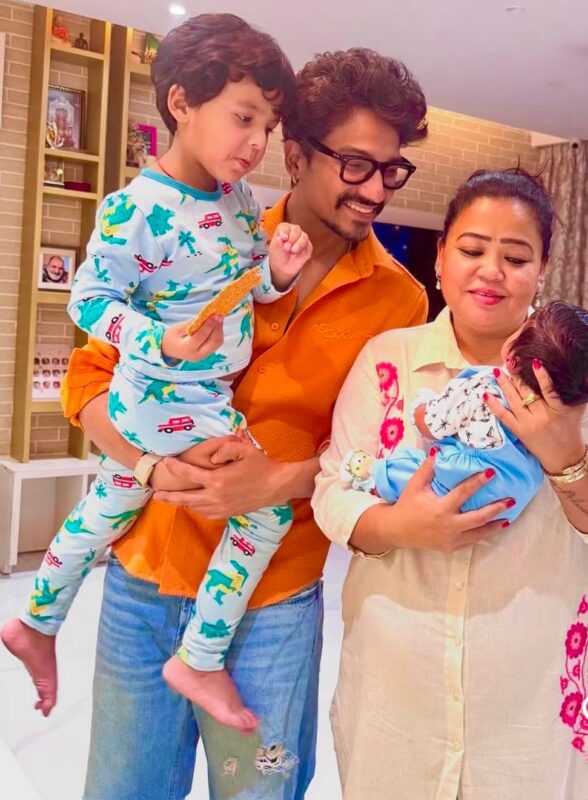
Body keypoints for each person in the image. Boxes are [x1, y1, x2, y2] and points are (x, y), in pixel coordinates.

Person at [40, 46, 428, 800]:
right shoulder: (204, 226)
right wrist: (148, 466)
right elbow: (88, 381)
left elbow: (378, 457)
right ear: (295, 153)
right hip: (146, 572)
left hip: (273, 599)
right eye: (355, 164)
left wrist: (276, 482)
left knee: (260, 791)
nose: (375, 189)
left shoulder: (399, 301)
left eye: (392, 170)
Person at [2, 14, 311, 733]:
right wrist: (159, 341)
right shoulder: (134, 208)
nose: (257, 143)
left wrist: (277, 272)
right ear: (181, 103)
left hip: (197, 392)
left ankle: (36, 619)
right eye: (243, 118)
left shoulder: (240, 202)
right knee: (265, 511)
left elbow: (246, 290)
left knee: (112, 500)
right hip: (168, 395)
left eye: (268, 127)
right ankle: (200, 656)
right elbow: (87, 299)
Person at [312, 167, 588, 800]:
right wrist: (401, 526)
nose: (491, 271)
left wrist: (563, 452)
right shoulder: (388, 359)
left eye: (515, 257)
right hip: (397, 693)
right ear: (440, 257)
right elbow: (333, 488)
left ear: (542, 271)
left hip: (528, 702)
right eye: (472, 249)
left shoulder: (579, 382)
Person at [339, 299, 588, 524]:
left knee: (411, 465)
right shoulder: (560, 412)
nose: (491, 271)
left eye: (516, 262)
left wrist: (421, 408)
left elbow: (434, 425)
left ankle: (372, 476)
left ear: (511, 358)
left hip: (455, 484)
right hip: (511, 499)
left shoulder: (485, 386)